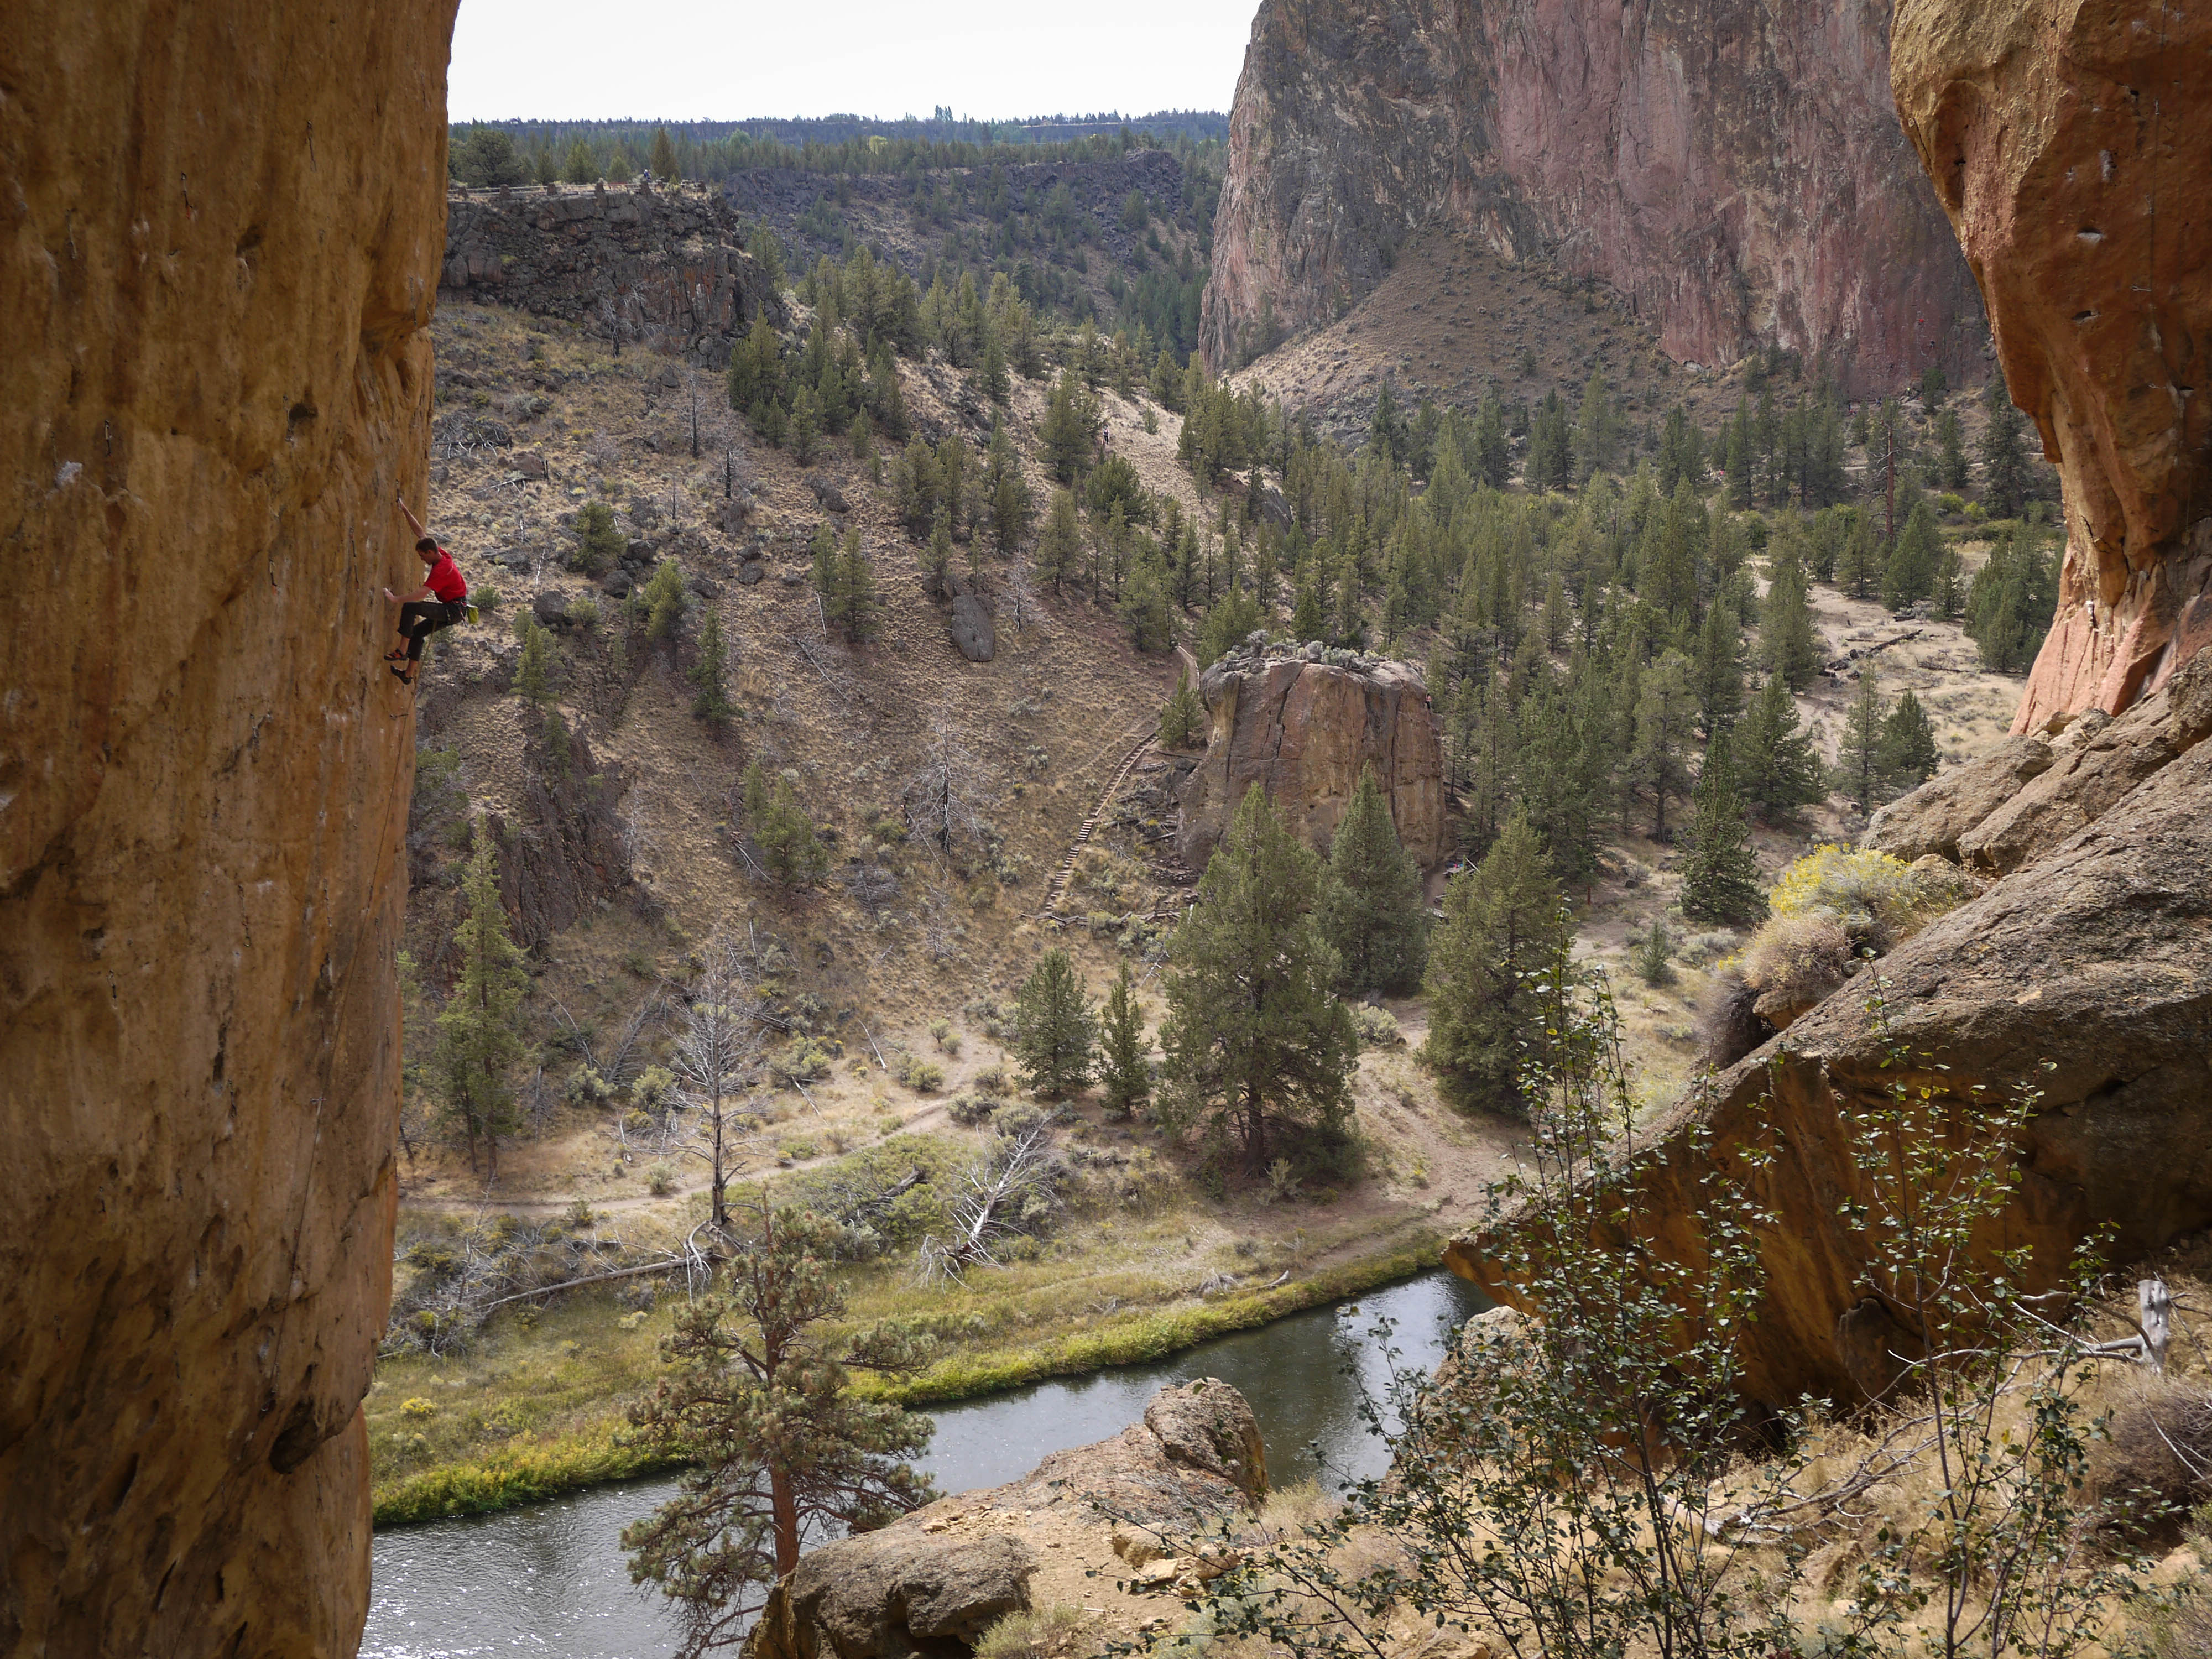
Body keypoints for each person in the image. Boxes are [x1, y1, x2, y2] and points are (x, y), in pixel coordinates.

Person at [384, 494, 469, 685]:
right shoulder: (442, 555)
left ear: (430, 552)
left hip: (452, 610)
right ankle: (408, 674)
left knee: (411, 607)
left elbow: (422, 594)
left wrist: (396, 599)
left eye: (423, 556)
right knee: (416, 633)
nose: (422, 559)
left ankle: (402, 651)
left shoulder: (442, 570)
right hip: (456, 609)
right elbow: (421, 533)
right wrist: (404, 509)